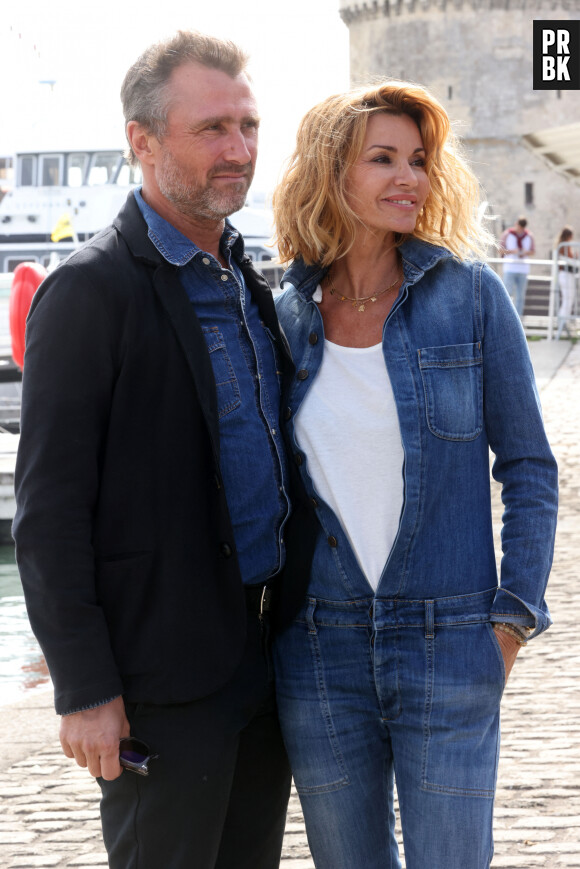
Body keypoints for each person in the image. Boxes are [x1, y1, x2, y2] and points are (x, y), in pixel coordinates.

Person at [13, 30, 315, 869]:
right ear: (142, 141)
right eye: (213, 128)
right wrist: (85, 687)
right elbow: (48, 511)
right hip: (159, 682)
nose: (240, 149)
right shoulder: (89, 292)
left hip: (262, 664)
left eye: (249, 126)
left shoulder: (246, 281)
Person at [270, 80, 558, 869]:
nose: (410, 177)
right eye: (384, 159)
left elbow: (530, 466)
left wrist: (511, 620)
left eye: (421, 160)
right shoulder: (283, 313)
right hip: (318, 649)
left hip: (451, 639)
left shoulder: (470, 298)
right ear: (332, 172)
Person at [501, 216, 535, 316]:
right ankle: (506, 316)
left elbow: (533, 251)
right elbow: (500, 250)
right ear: (516, 224)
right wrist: (512, 251)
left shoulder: (529, 235)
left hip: (523, 269)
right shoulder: (507, 234)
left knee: (520, 296)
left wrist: (525, 253)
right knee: (508, 293)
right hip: (510, 268)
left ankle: (518, 317)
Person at [554, 225, 578, 339]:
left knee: (568, 300)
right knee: (568, 300)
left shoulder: (563, 245)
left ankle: (564, 323)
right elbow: (569, 261)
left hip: (567, 275)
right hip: (566, 275)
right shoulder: (564, 246)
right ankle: (562, 323)